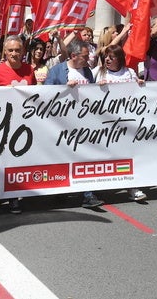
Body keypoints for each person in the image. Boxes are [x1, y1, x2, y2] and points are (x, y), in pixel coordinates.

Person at [45, 39, 104, 208]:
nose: (88, 60)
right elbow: (46, 93)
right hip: (62, 124)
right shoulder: (57, 71)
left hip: (83, 124)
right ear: (73, 55)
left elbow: (92, 95)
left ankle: (88, 195)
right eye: (85, 56)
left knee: (84, 157)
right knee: (63, 158)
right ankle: (61, 191)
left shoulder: (87, 71)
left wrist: (99, 88)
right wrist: (64, 87)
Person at [0, 36, 37, 213]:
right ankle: (9, 196)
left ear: (23, 52)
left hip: (25, 123)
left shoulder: (29, 70)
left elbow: (36, 94)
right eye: (11, 50)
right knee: (6, 160)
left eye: (18, 50)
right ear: (5, 52)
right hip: (3, 124)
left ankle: (17, 193)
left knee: (20, 159)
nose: (14, 54)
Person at [96, 44, 147, 202]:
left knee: (129, 155)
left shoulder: (130, 72)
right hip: (108, 123)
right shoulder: (100, 73)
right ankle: (99, 188)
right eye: (106, 57)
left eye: (111, 57)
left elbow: (138, 93)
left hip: (128, 122)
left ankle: (133, 187)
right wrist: (96, 88)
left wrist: (140, 84)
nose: (107, 60)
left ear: (119, 59)